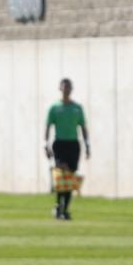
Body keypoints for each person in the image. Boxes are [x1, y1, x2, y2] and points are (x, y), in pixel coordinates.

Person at [43, 77, 90, 220]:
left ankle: (64, 209)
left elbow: (82, 127)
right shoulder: (54, 108)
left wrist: (87, 145)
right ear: (60, 88)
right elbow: (48, 127)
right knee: (62, 173)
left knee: (70, 176)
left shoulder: (77, 108)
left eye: (68, 87)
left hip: (73, 144)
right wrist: (45, 144)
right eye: (64, 87)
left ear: (71, 89)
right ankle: (59, 205)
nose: (66, 90)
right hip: (60, 143)